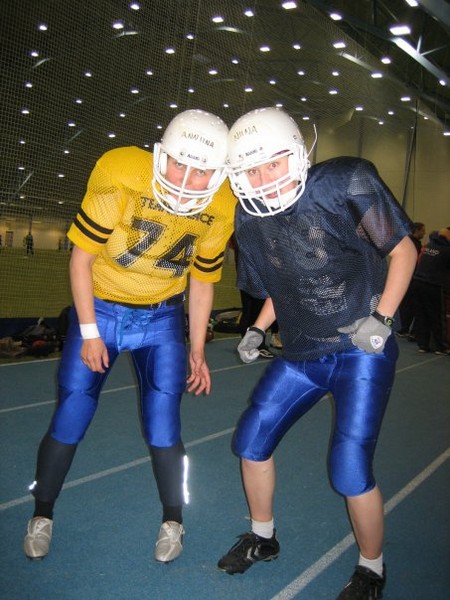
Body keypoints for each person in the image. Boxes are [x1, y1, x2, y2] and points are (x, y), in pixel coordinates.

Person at [217, 107, 417, 599]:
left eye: (273, 163)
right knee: (250, 441)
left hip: (360, 348)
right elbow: (282, 284)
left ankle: (371, 567)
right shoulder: (249, 216)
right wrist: (259, 328)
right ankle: (262, 538)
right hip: (302, 353)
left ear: (298, 154)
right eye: (251, 170)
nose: (263, 179)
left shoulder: (344, 181)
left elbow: (403, 251)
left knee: (349, 468)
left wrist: (382, 318)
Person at [23, 109, 236, 563]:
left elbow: (202, 281)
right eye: (179, 163)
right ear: (161, 156)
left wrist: (198, 348)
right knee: (71, 416)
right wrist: (89, 332)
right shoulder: (123, 172)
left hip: (162, 319)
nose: (186, 179)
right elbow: (80, 260)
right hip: (100, 310)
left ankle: (173, 520)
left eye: (201, 171)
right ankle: (42, 513)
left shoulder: (221, 204)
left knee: (164, 426)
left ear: (218, 174)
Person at [412, 227, 450, 355]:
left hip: (418, 282)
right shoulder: (447, 250)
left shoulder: (429, 246)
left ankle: (423, 344)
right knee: (437, 316)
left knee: (422, 314)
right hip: (434, 285)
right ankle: (441, 346)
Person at [397, 222, 426, 338]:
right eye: (422, 230)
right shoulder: (415, 245)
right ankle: (403, 328)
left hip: (404, 277)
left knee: (404, 304)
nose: (424, 233)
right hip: (410, 278)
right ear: (417, 230)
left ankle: (402, 328)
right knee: (409, 305)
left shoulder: (407, 241)